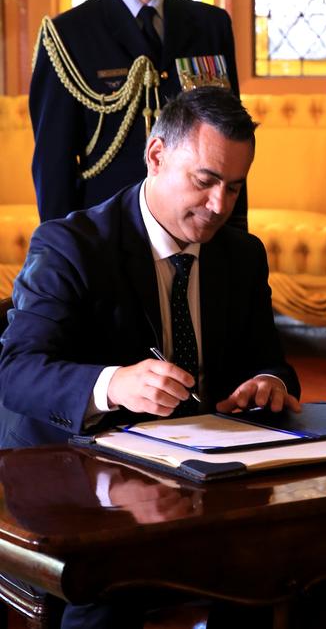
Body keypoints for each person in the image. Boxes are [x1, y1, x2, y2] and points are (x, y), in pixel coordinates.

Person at [0, 86, 300, 628]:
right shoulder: (71, 245)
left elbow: (270, 359)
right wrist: (112, 383)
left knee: (282, 564)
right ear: (156, 155)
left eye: (234, 189)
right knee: (114, 588)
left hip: (194, 473)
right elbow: (16, 372)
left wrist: (266, 380)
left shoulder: (241, 254)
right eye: (205, 181)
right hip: (72, 475)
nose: (218, 207)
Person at [29, 0, 245, 226]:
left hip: (201, 230)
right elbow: (52, 164)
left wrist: (236, 238)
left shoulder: (210, 25)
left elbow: (232, 140)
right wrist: (61, 250)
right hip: (109, 234)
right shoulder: (68, 36)